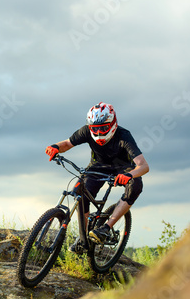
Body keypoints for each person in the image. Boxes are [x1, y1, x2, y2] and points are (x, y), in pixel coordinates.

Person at [45, 102, 149, 254]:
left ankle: (106, 228)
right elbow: (67, 143)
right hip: (97, 167)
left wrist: (129, 175)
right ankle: (83, 238)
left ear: (113, 123)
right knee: (81, 194)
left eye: (103, 128)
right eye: (95, 129)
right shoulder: (86, 131)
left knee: (136, 185)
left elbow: (143, 166)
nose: (99, 132)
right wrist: (55, 146)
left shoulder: (124, 135)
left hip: (123, 168)